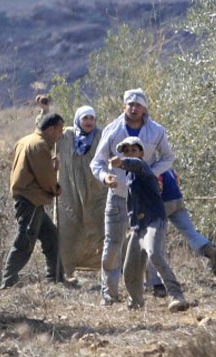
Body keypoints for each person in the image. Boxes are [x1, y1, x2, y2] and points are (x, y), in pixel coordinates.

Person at [90, 88, 174, 306]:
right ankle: (109, 293)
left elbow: (168, 158)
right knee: (113, 244)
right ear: (124, 106)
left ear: (145, 107)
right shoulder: (112, 130)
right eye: (130, 104)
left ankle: (154, 285)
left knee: (150, 243)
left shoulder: (156, 131)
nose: (134, 108)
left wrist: (148, 173)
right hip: (117, 195)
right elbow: (97, 162)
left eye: (138, 104)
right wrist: (104, 177)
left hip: (146, 198)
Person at [110, 136, 189, 312]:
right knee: (130, 269)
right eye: (126, 151)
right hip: (139, 226)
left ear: (141, 153)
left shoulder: (144, 168)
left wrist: (122, 161)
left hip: (154, 220)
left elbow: (135, 164)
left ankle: (177, 296)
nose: (130, 153)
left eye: (133, 150)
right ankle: (136, 302)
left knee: (154, 254)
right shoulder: (130, 176)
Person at [0, 112, 65, 289]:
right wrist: (55, 188)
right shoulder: (40, 145)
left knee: (51, 236)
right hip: (31, 199)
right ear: (51, 129)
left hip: (30, 199)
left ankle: (56, 279)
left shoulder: (25, 140)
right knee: (25, 241)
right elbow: (45, 177)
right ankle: (8, 282)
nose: (60, 135)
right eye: (59, 131)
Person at [145, 169, 216, 297]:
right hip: (177, 199)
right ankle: (210, 250)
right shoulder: (166, 165)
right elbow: (176, 179)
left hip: (162, 203)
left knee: (155, 243)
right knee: (190, 231)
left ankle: (156, 284)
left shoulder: (150, 165)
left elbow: (157, 187)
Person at [54, 105, 107, 280]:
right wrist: (44, 112)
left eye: (92, 118)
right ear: (78, 119)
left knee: (103, 230)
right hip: (69, 192)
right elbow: (46, 132)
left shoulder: (101, 136)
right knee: (67, 231)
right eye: (85, 118)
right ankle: (67, 272)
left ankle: (108, 270)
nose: (89, 122)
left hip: (96, 192)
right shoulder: (67, 136)